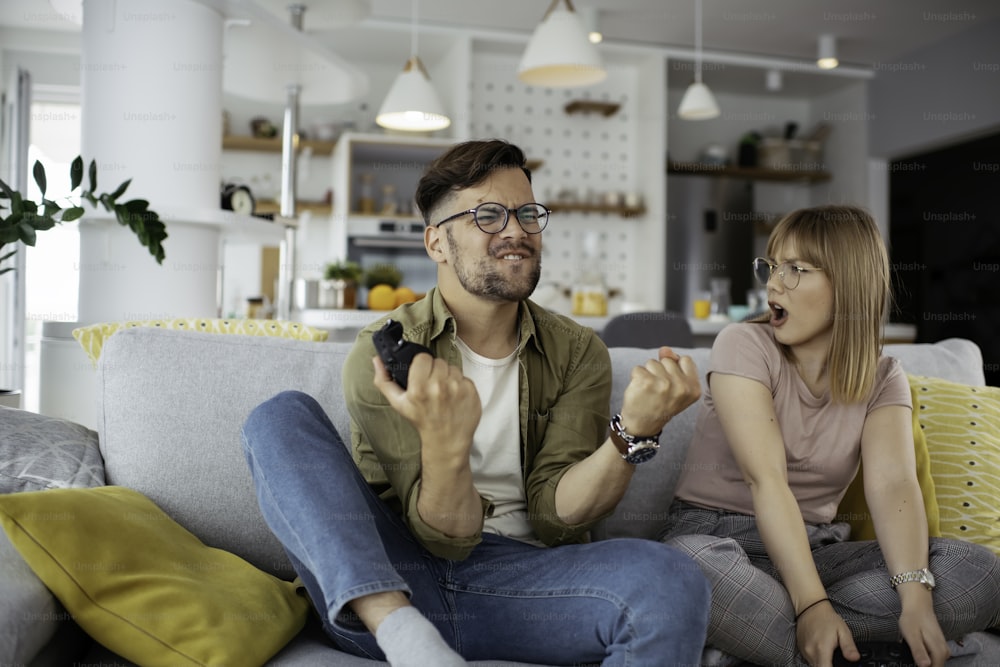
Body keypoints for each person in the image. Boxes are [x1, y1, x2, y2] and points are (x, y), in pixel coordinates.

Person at [241, 139, 711, 667]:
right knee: (278, 417)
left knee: (672, 580)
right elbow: (444, 539)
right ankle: (407, 638)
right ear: (437, 244)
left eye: (527, 214)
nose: (517, 231)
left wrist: (633, 434)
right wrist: (447, 445)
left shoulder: (577, 352)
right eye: (488, 215)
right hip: (394, 579)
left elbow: (557, 518)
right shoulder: (384, 354)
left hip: (525, 582)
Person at [661, 205, 1000, 667]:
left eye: (796, 269)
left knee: (979, 573)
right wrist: (812, 606)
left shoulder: (883, 376)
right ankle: (844, 648)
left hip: (820, 551)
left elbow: (894, 485)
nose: (774, 283)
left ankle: (755, 646)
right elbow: (767, 480)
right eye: (772, 267)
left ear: (849, 283)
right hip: (720, 541)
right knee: (686, 570)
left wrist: (916, 599)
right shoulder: (743, 345)